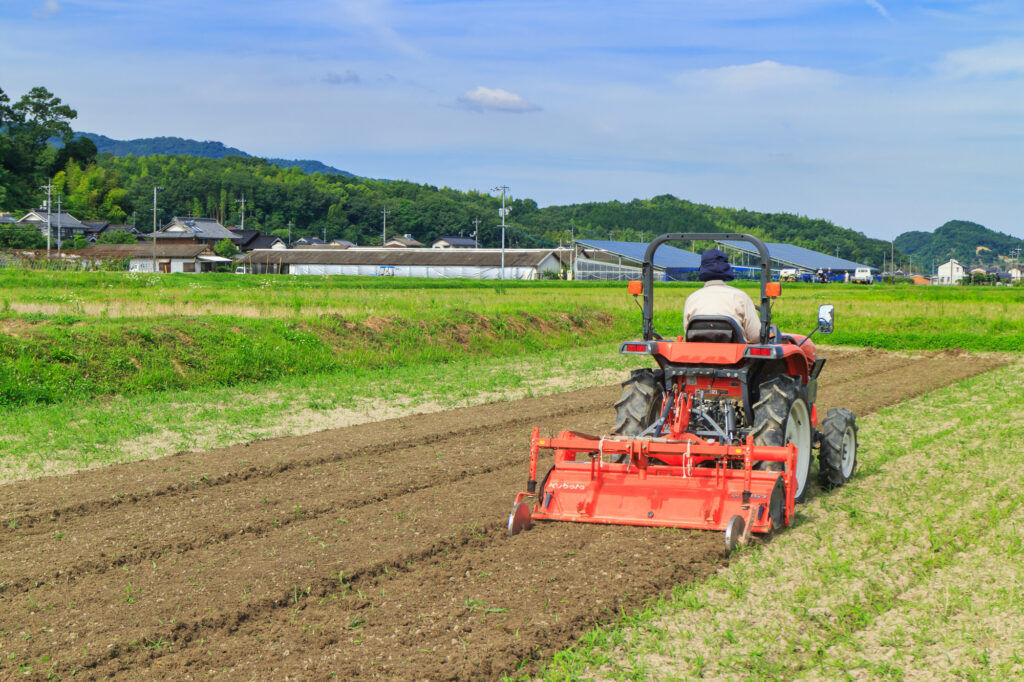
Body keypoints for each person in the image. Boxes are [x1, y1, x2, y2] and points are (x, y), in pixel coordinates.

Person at [683, 249, 760, 343]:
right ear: (727, 269)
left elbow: (688, 333)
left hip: (699, 355)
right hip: (736, 356)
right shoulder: (740, 297)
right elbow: (755, 336)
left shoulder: (692, 298)